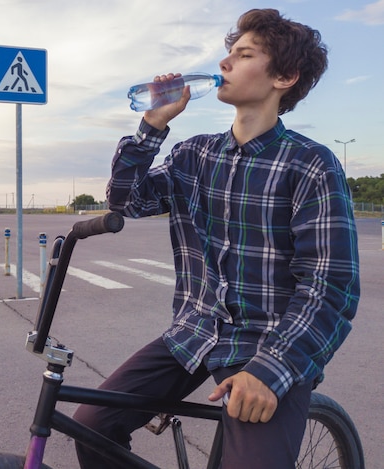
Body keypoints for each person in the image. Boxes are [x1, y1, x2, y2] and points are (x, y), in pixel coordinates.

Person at [73, 8, 360, 469]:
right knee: (90, 425)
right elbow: (127, 202)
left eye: (243, 55)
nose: (224, 63)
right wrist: (152, 127)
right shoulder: (194, 154)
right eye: (228, 53)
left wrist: (269, 372)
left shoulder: (310, 164)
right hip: (193, 333)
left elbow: (330, 288)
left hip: (268, 345)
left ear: (284, 76)